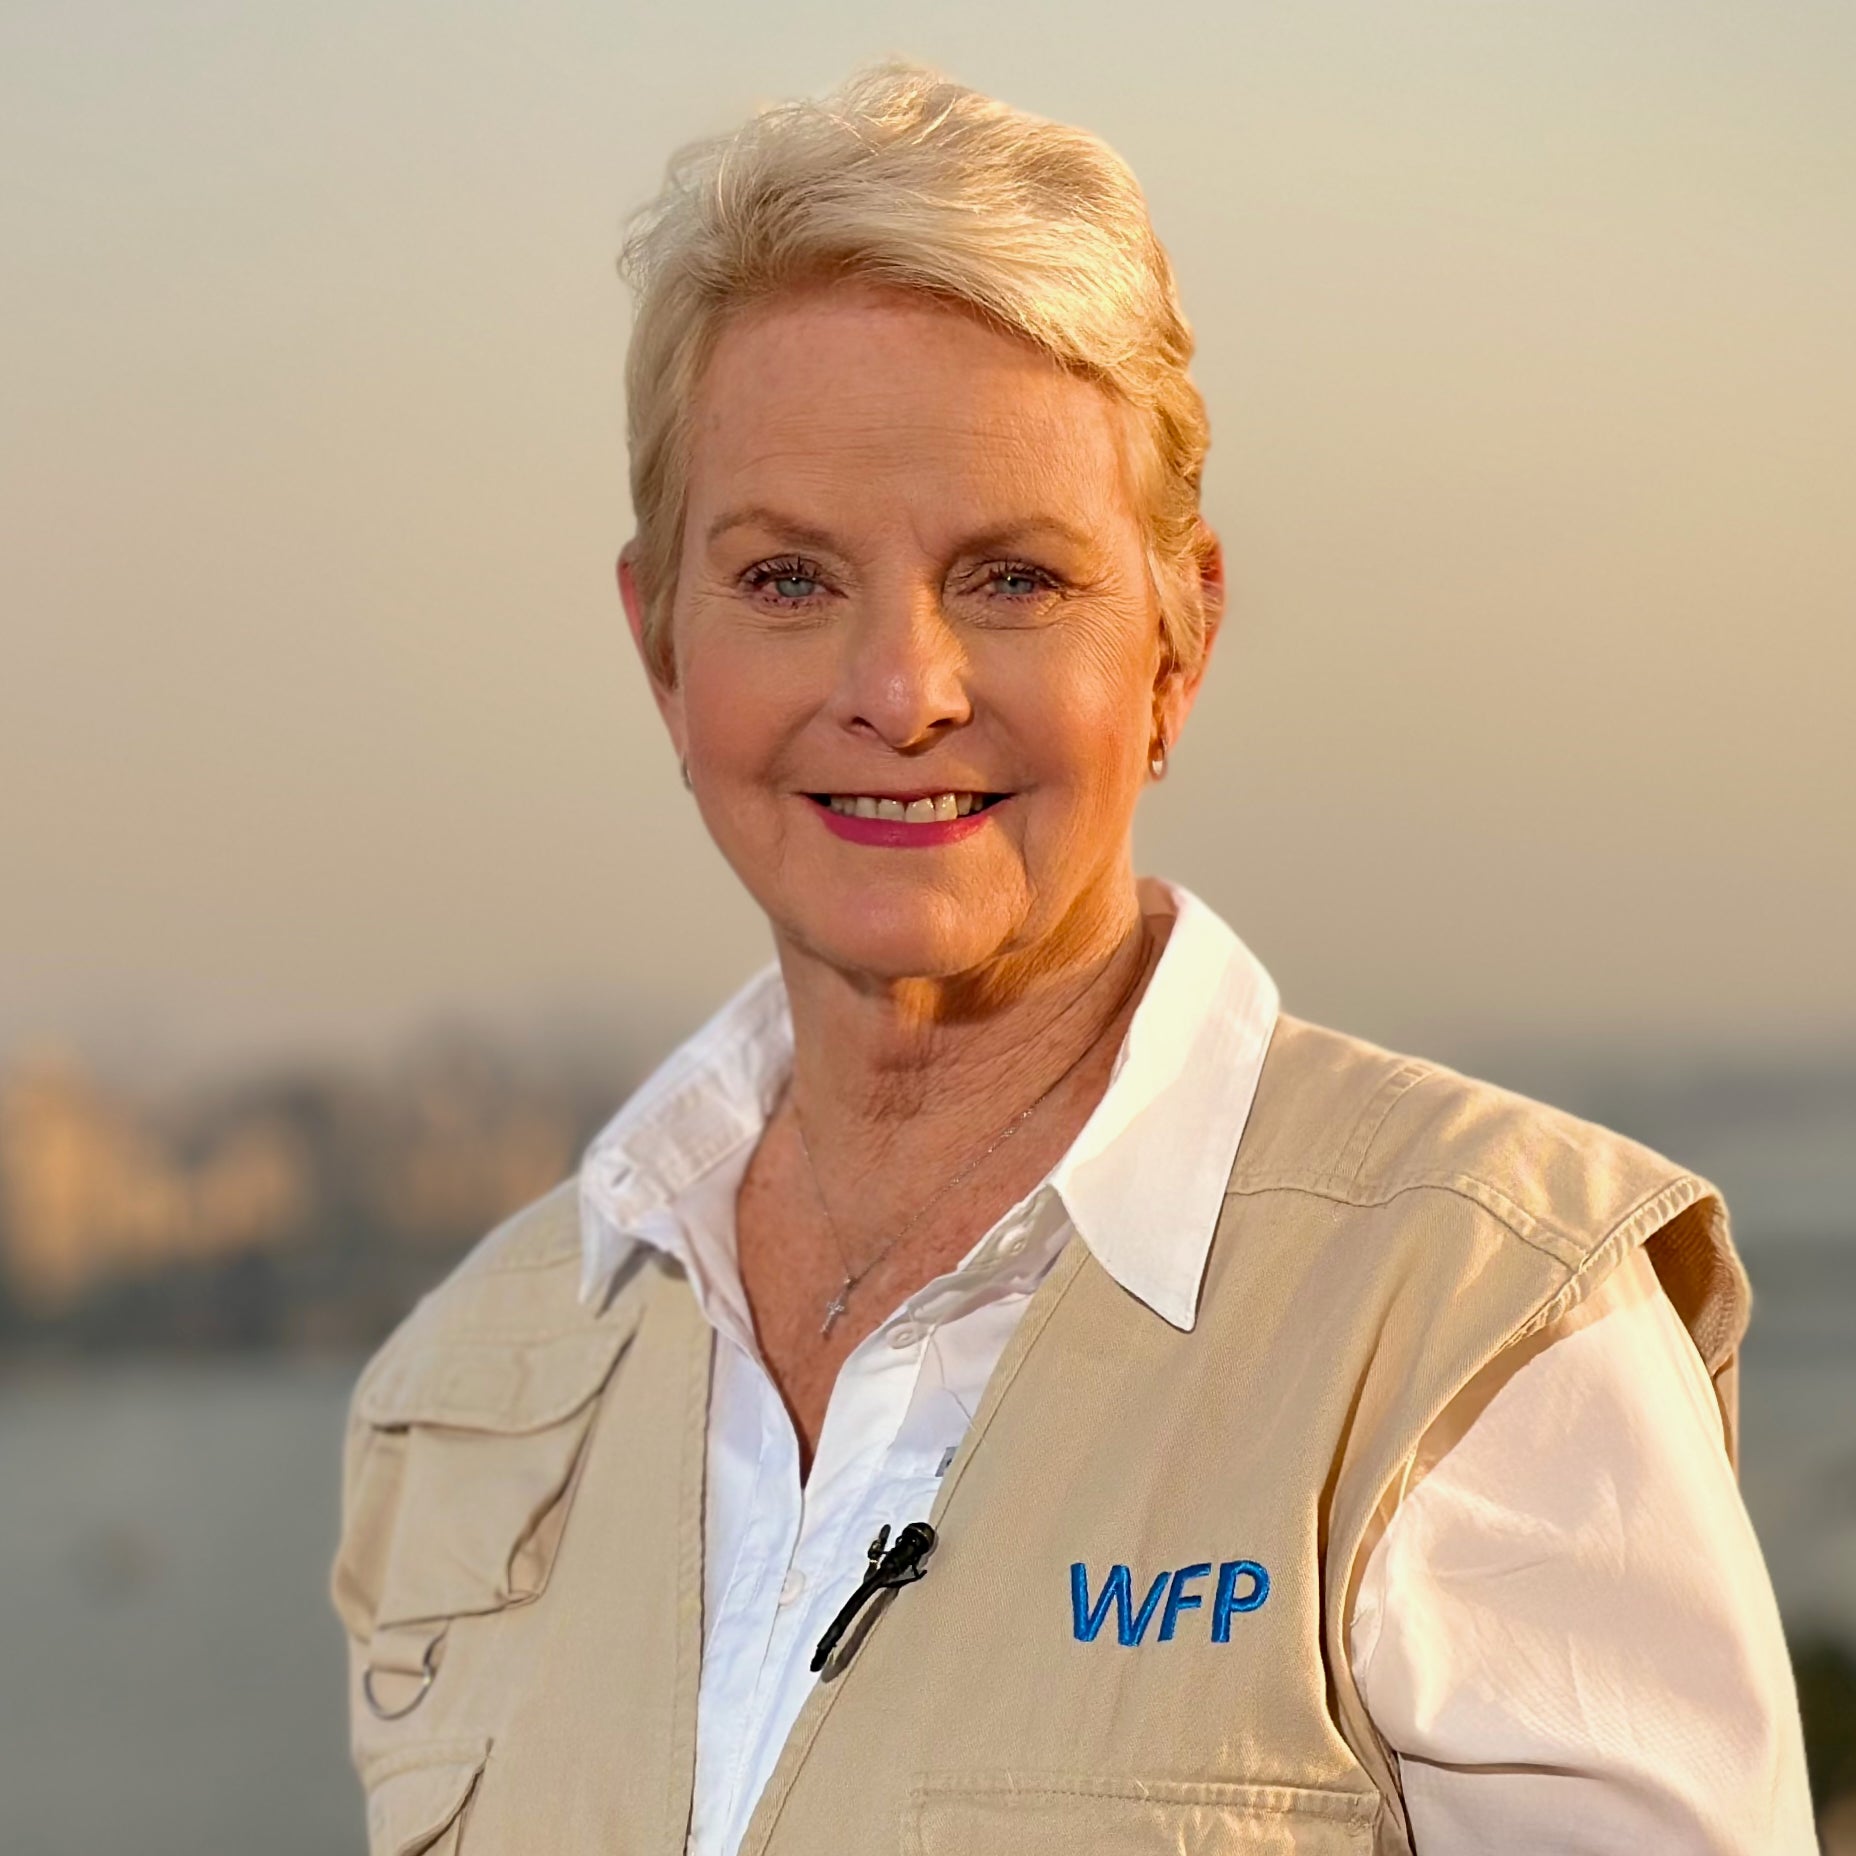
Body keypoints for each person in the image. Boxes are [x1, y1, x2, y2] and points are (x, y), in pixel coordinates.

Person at [329, 62, 1818, 1855]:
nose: (901, 689)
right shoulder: (469, 1398)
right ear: (662, 645)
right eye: (788, 580)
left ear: (1177, 648)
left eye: (1013, 579)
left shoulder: (1476, 1339)